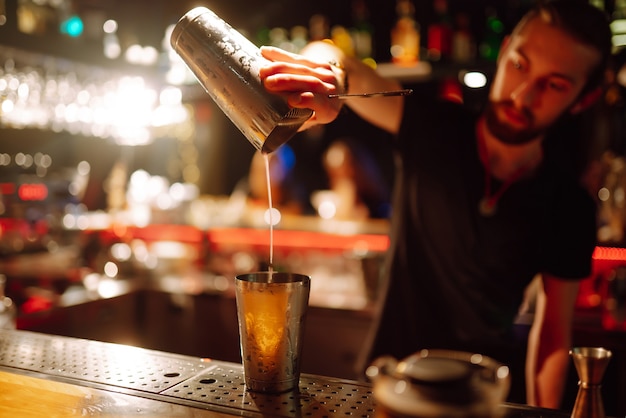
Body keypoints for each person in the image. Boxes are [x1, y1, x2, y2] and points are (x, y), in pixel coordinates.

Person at [258, 0, 612, 409]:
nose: (522, 93)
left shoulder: (569, 205)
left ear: (582, 100)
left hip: (482, 401)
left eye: (554, 85)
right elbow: (345, 65)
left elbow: (552, 337)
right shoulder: (432, 127)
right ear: (506, 47)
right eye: (520, 64)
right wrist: (324, 73)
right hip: (389, 390)